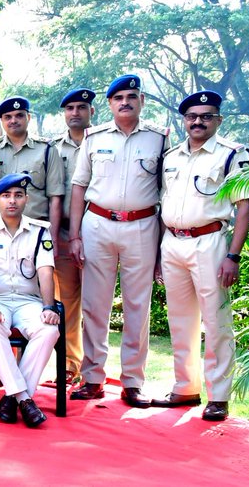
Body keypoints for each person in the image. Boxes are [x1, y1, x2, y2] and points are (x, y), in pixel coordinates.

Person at [69, 74, 169, 408]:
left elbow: (167, 192)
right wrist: (75, 235)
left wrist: (163, 241)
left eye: (131, 96)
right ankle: (93, 377)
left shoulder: (159, 139)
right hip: (97, 223)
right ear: (109, 105)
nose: (125, 101)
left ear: (142, 101)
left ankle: (132, 382)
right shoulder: (93, 138)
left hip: (142, 226)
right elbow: (79, 186)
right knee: (95, 305)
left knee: (137, 305)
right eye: (118, 97)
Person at [153, 90, 249, 421]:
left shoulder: (232, 155)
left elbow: (244, 208)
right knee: (180, 321)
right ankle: (185, 387)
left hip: (210, 242)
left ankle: (219, 397)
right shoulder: (172, 156)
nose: (198, 121)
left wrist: (233, 256)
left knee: (216, 321)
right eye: (192, 116)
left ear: (218, 120)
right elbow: (161, 206)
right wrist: (158, 253)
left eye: (206, 116)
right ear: (184, 120)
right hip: (173, 242)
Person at [0, 173, 60, 428]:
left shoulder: (41, 231)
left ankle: (13, 397)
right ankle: (24, 399)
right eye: (6, 196)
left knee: (49, 330)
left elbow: (45, 272)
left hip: (27, 300)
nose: (12, 201)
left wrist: (49, 307)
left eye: (18, 195)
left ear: (26, 199)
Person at [51, 88, 93, 384]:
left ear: (92, 111)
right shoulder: (53, 148)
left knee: (95, 302)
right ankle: (69, 365)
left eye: (81, 107)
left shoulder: (103, 142)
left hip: (99, 229)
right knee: (67, 301)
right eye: (70, 108)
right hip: (64, 232)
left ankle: (94, 369)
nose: (75, 112)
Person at [0, 96, 65, 241]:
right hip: (0, 230)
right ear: (2, 121)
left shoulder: (47, 149)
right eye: (8, 117)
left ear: (28, 117)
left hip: (36, 227)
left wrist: (52, 237)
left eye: (19, 115)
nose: (13, 120)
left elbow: (55, 197)